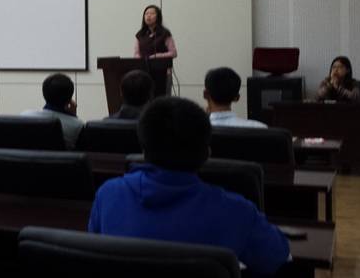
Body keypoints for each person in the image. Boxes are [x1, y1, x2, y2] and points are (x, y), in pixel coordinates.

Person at [88, 97, 290, 275]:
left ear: (143, 150)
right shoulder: (237, 212)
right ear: (206, 154)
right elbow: (277, 257)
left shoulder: (108, 195)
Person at [21, 73, 83, 149]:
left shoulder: (25, 116)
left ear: (44, 93)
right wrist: (73, 117)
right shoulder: (77, 125)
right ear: (70, 99)